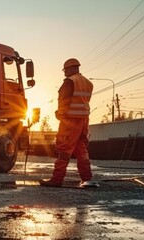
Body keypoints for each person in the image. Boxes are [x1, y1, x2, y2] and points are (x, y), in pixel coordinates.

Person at [40, 58, 99, 188]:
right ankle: (87, 178)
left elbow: (64, 100)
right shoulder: (88, 83)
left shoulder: (70, 82)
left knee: (64, 149)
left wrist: (60, 114)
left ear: (72, 68)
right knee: (81, 149)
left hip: (70, 120)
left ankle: (57, 179)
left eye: (65, 69)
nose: (64, 72)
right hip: (83, 121)